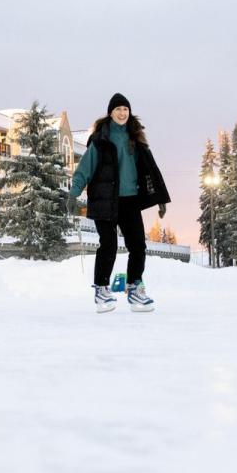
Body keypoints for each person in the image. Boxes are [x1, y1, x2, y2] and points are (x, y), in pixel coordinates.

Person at [69, 93, 170, 313]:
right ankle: (102, 290)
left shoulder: (136, 138)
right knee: (109, 245)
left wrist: (160, 198)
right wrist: (73, 192)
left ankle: (134, 289)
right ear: (111, 113)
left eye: (125, 109)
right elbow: (85, 168)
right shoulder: (100, 139)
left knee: (138, 246)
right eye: (118, 110)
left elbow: (151, 170)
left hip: (130, 200)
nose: (122, 113)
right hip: (104, 199)